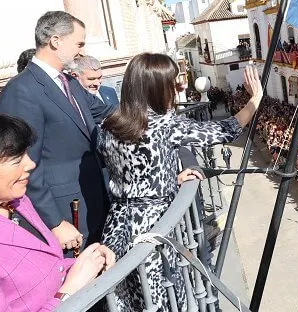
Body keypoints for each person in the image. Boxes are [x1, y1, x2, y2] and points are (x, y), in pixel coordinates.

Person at [98, 53, 263, 311]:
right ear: (156, 87)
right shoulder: (163, 124)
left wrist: (169, 180)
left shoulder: (110, 124)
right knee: (161, 299)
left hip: (117, 226)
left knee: (125, 301)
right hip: (152, 229)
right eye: (173, 84)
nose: (178, 89)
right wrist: (255, 100)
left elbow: (135, 174)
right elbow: (225, 130)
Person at [0, 11, 116, 257]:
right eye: (79, 43)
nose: (82, 51)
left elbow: (106, 113)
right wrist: (54, 222)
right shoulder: (22, 91)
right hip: (65, 213)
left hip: (93, 198)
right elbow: (23, 165)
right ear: (56, 41)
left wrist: (151, 111)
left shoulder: (69, 83)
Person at [0, 114, 116, 311]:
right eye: (17, 160)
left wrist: (85, 263)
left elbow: (46, 270)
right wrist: (69, 292)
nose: (30, 164)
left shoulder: (18, 202)